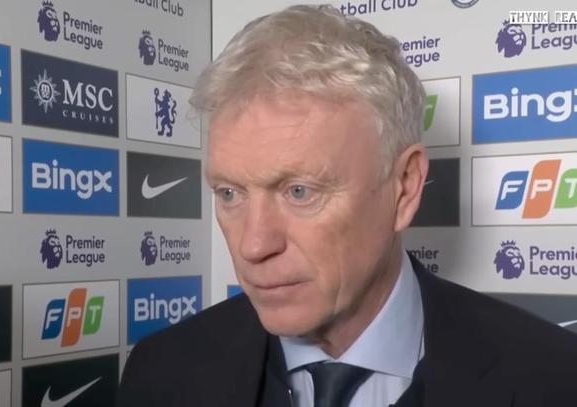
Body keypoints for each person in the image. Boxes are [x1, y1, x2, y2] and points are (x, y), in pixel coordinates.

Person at [116, 5, 577, 407]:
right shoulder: (161, 372)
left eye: (299, 192)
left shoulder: (555, 378)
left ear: (404, 187)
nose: (253, 245)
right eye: (229, 193)